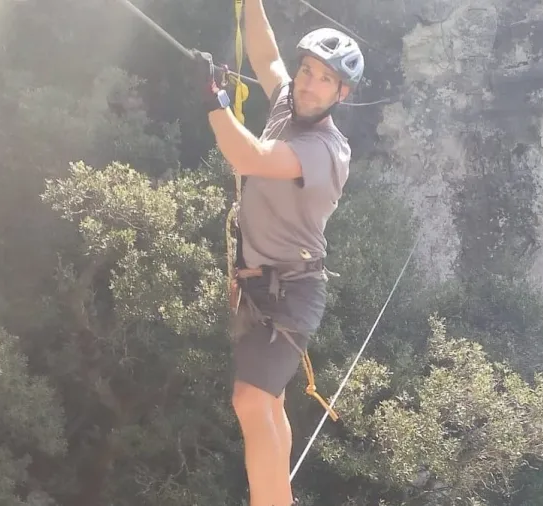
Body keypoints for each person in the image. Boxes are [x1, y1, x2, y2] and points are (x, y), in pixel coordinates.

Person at [192, 1, 364, 504]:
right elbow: (266, 56)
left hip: (292, 291)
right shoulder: (290, 101)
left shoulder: (326, 152)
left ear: (342, 93)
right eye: (307, 71)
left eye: (324, 80)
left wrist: (211, 99)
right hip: (258, 283)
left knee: (250, 400)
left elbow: (250, 156)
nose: (308, 85)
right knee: (271, 403)